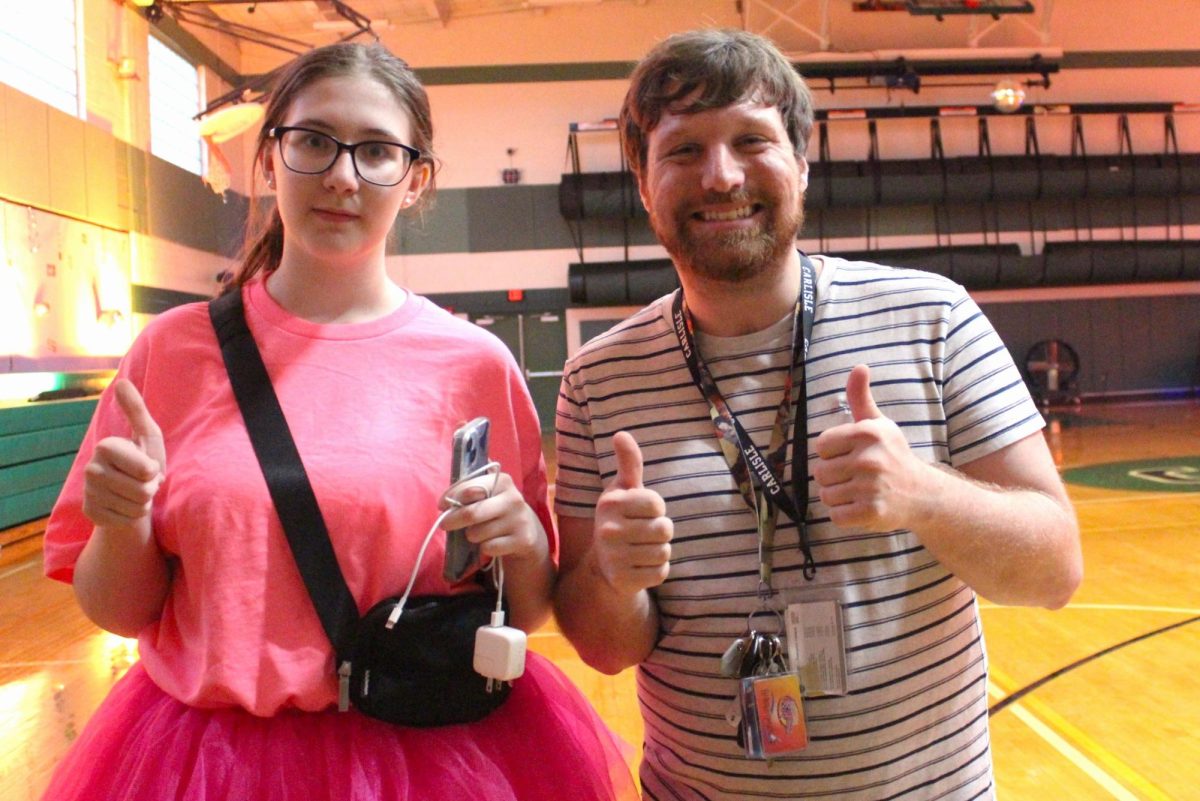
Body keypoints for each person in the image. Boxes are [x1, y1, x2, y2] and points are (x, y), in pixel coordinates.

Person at [42, 41, 636, 801]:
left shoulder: (476, 365)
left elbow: (519, 610)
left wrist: (522, 544)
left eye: (377, 151)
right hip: (208, 765)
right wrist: (121, 522)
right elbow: (117, 610)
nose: (342, 175)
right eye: (314, 141)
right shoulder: (170, 352)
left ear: (416, 178)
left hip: (432, 751)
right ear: (269, 159)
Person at [553, 29, 1082, 801]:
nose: (721, 175)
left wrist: (922, 495)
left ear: (802, 163)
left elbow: (1055, 570)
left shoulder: (933, 318)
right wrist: (609, 574)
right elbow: (604, 646)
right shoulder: (597, 380)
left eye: (751, 140)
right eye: (683, 151)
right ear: (643, 181)